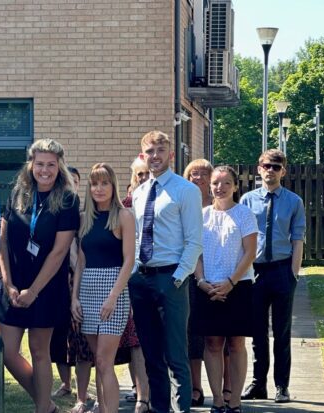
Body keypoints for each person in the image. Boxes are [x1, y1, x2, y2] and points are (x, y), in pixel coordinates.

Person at [0, 138, 79, 413]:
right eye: (40, 163)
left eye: (51, 165)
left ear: (60, 167)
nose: (45, 170)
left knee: (39, 351)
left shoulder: (68, 199)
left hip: (46, 289)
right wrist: (8, 283)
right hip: (13, 287)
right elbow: (2, 242)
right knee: (7, 351)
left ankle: (42, 408)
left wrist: (33, 291)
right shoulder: (18, 193)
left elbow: (59, 252)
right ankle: (48, 405)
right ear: (31, 164)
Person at [128, 130, 203, 413]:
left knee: (176, 354)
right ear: (143, 156)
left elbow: (194, 240)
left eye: (160, 151)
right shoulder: (139, 193)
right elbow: (136, 238)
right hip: (142, 280)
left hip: (171, 278)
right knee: (151, 355)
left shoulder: (186, 190)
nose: (155, 156)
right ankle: (160, 408)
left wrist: (178, 277)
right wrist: (134, 273)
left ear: (170, 155)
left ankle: (181, 409)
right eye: (150, 151)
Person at [240, 149, 305, 404]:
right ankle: (258, 384)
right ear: (259, 168)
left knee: (282, 332)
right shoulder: (247, 200)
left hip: (281, 270)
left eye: (276, 167)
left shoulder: (293, 201)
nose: (271, 170)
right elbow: (241, 238)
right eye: (267, 166)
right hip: (254, 272)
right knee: (257, 333)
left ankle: (282, 386)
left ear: (283, 171)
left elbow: (298, 239)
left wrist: (293, 274)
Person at [191, 166, 257, 413]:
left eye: (226, 183)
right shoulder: (201, 215)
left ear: (235, 186)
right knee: (212, 343)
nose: (220, 187)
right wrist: (201, 281)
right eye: (216, 183)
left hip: (238, 286)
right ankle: (217, 399)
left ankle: (236, 400)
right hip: (207, 287)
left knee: (237, 343)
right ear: (210, 185)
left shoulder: (244, 214)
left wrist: (230, 282)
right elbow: (194, 252)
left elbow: (250, 252)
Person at [71, 163, 135, 413]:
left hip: (113, 291)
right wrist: (74, 298)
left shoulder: (124, 215)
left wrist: (112, 297)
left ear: (113, 186)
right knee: (98, 360)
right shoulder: (84, 217)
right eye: (94, 183)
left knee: (104, 360)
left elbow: (129, 260)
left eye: (104, 183)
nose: (99, 188)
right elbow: (81, 261)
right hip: (87, 290)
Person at [51, 166, 95, 413]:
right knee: (59, 337)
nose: (70, 186)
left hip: (81, 281)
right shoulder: (54, 213)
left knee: (81, 339)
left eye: (74, 182)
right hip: (57, 283)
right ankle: (66, 384)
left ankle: (82, 394)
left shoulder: (84, 216)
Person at [118, 157, 150, 408]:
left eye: (147, 174)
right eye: (139, 175)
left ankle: (151, 391)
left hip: (157, 276)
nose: (143, 179)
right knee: (133, 337)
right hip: (129, 277)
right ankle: (140, 392)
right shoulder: (125, 206)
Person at [182, 158, 214, 407]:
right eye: (194, 174)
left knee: (216, 337)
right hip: (191, 278)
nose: (199, 178)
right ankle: (195, 386)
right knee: (193, 334)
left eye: (204, 174)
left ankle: (224, 389)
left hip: (218, 279)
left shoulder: (220, 206)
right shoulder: (184, 205)